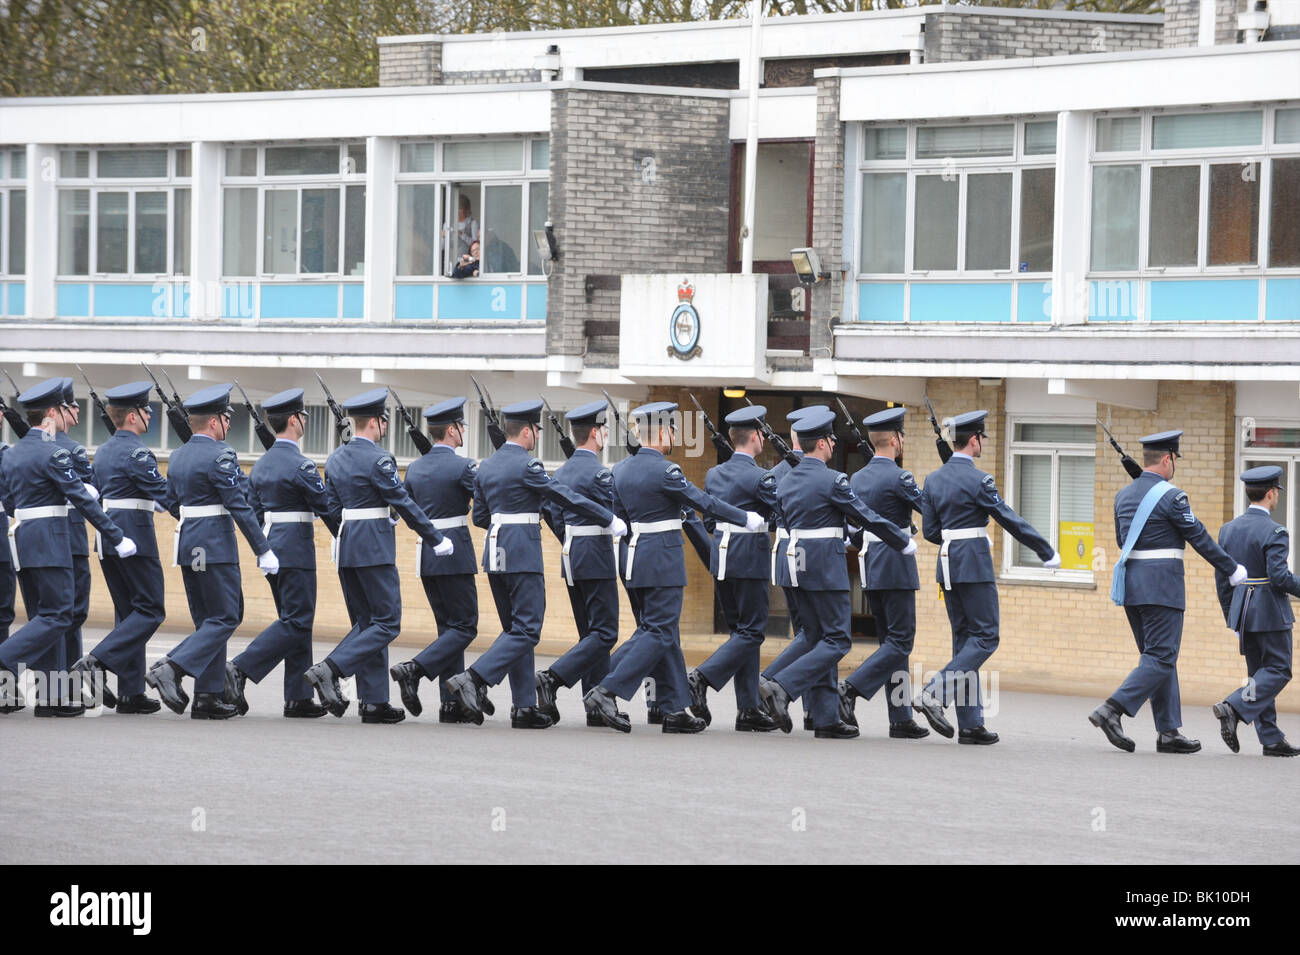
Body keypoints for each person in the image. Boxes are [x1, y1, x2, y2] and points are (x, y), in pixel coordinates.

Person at [584, 401, 762, 734]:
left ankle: (674, 709)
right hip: (661, 562)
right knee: (660, 632)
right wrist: (744, 517)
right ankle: (606, 689)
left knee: (662, 635)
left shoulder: (620, 470)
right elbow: (703, 502)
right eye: (673, 430)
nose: (675, 437)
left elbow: (618, 519)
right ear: (663, 431)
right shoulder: (667, 471)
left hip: (634, 559)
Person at [445, 399, 623, 729]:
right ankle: (474, 678)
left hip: (494, 553)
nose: (537, 437)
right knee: (527, 630)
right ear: (526, 431)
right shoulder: (529, 466)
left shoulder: (485, 466)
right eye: (536, 431)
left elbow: (480, 516)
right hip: (521, 552)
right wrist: (606, 516)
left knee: (515, 632)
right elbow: (563, 497)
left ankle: (523, 706)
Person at [758, 407, 913, 739]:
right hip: (824, 567)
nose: (833, 444)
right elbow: (865, 516)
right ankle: (781, 686)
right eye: (831, 439)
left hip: (792, 563)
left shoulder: (785, 479)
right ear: (825, 444)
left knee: (816, 638)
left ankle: (826, 718)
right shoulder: (832, 479)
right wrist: (899, 539)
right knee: (838, 639)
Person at [1088, 429, 1245, 754]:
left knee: (1159, 657)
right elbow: (1199, 537)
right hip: (1162, 587)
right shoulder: (1173, 497)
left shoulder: (1123, 496)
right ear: (1167, 459)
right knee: (1161, 656)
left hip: (1133, 587)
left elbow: (1122, 541)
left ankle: (1169, 731)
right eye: (1175, 460)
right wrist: (1232, 568)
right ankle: (1112, 710)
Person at [307, 388, 453, 724]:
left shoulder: (335, 458)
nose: (385, 426)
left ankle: (373, 701)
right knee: (387, 622)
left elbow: (330, 508)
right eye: (383, 421)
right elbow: (402, 501)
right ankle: (330, 669)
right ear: (374, 422)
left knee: (367, 625)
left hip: (347, 546)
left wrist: (344, 534)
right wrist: (433, 537)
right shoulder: (379, 459)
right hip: (373, 546)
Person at [914, 410, 1059, 746]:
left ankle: (970, 724)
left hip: (947, 565)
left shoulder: (933, 480)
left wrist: (956, 536)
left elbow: (932, 531)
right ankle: (934, 692)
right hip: (973, 564)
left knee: (965, 641)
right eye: (982, 439)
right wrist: (1045, 550)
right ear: (975, 439)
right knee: (986, 637)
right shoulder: (980, 481)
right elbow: (1010, 520)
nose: (983, 445)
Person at [1, 378, 135, 714]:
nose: (68, 414)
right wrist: (117, 536)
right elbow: (83, 500)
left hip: (24, 538)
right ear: (51, 413)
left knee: (43, 616)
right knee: (60, 615)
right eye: (65, 409)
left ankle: (50, 697)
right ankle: (5, 662)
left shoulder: (13, 454)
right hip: (49, 540)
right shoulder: (54, 451)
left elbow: (9, 501)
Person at [146, 384, 278, 720]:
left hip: (189, 543)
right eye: (226, 419)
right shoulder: (221, 455)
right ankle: (171, 667)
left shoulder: (177, 456)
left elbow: (172, 502)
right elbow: (239, 505)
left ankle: (208, 695)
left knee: (210, 620)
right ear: (215, 422)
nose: (229, 425)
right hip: (213, 546)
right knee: (226, 616)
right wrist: (262, 549)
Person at [226, 389, 339, 718]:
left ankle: (298, 698)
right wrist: (344, 533)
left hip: (273, 546)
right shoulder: (301, 465)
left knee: (296, 621)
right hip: (296, 548)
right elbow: (326, 507)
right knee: (297, 619)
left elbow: (252, 509)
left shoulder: (261, 465)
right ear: (294, 420)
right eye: (303, 416)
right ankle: (240, 668)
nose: (305, 421)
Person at [390, 397, 493, 723]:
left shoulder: (416, 468)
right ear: (451, 430)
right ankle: (415, 670)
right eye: (461, 426)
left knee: (448, 629)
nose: (463, 431)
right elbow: (484, 499)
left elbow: (403, 509)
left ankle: (451, 704)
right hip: (455, 552)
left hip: (427, 552)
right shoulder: (463, 466)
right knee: (465, 626)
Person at [72, 381, 172, 714]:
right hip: (135, 537)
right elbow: (164, 491)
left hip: (109, 537)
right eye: (147, 411)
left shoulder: (103, 450)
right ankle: (97, 662)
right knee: (151, 609)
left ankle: (130, 692)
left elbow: (101, 491)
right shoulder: (137, 451)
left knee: (129, 613)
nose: (149, 416)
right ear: (133, 416)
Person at [839, 407, 930, 739]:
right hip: (895, 563)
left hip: (870, 563)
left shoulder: (856, 478)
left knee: (892, 642)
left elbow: (857, 529)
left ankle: (901, 717)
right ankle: (850, 688)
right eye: (902, 436)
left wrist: (906, 526)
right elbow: (929, 509)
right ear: (894, 440)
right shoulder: (900, 477)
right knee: (902, 641)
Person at [688, 405, 780, 732]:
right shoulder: (760, 476)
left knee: (741, 633)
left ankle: (748, 708)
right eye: (762, 435)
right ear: (755, 437)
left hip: (722, 558)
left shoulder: (714, 474)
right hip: (748, 559)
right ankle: (702, 677)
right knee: (752, 631)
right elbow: (780, 512)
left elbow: (710, 521)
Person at [535, 400, 623, 725]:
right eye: (605, 431)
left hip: (571, 554)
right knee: (605, 632)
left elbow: (552, 513)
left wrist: (571, 540)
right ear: (596, 433)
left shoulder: (561, 472)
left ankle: (594, 704)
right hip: (595, 553)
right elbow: (614, 513)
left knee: (590, 633)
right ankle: (553, 677)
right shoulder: (599, 473)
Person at [1210, 466, 1300, 757]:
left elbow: (1222, 578)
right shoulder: (1275, 531)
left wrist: (1231, 614)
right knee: (1278, 670)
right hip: (1270, 611)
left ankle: (1271, 737)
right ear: (1271, 494)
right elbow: (1279, 577)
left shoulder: (1228, 529)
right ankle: (1233, 706)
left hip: (1242, 609)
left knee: (1258, 675)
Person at [761, 406, 822, 730]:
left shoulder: (778, 473)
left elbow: (771, 517)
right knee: (817, 634)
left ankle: (814, 708)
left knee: (809, 633)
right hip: (811, 556)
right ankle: (778, 686)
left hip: (785, 554)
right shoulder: (811, 471)